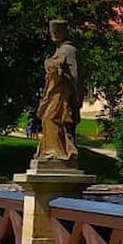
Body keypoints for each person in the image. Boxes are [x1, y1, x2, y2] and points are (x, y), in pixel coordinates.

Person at [36, 20, 84, 162]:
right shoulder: (59, 50)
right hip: (52, 92)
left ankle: (59, 152)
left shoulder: (69, 50)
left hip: (62, 94)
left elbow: (75, 76)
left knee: (53, 118)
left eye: (58, 31)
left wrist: (60, 72)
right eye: (53, 32)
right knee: (47, 118)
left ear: (65, 32)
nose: (55, 34)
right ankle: (51, 151)